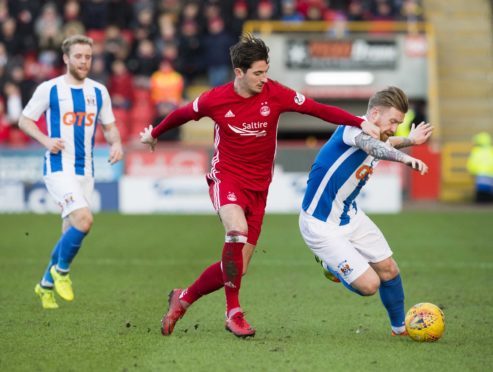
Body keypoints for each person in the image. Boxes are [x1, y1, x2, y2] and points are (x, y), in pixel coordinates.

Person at [140, 33, 380, 338]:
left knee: (238, 267)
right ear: (239, 72)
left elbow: (318, 109)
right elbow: (183, 114)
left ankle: (183, 298)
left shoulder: (276, 93)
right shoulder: (216, 98)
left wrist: (360, 122)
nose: (264, 79)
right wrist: (155, 133)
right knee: (236, 231)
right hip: (226, 177)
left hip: (259, 187)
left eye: (266, 71)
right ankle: (233, 313)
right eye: (257, 73)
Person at [299, 86, 433, 336]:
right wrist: (405, 158)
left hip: (350, 215)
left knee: (389, 270)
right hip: (321, 225)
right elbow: (373, 146)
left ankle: (399, 328)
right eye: (393, 121)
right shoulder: (354, 127)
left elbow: (385, 141)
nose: (395, 127)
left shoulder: (379, 135)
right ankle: (330, 267)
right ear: (374, 114)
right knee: (370, 285)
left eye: (399, 122)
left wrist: (410, 141)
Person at [18, 35, 124, 310]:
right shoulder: (50, 89)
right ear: (66, 58)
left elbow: (109, 125)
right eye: (78, 56)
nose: (84, 61)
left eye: (88, 57)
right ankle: (61, 273)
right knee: (84, 220)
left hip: (85, 170)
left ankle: (44, 286)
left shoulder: (99, 91)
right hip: (57, 166)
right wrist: (45, 140)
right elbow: (24, 120)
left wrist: (116, 143)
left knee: (70, 231)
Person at [466, 132, 493, 203]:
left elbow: (472, 163)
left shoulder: (476, 151)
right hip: (491, 175)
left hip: (481, 176)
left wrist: (472, 172)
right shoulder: (491, 150)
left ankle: (481, 202)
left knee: (481, 194)